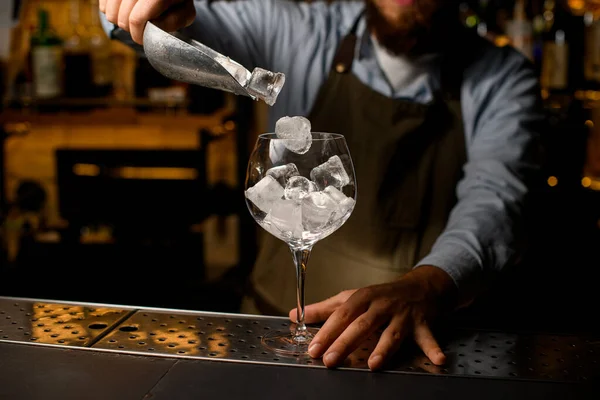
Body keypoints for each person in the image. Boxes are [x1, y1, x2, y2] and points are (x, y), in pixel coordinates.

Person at [99, 0, 543, 371]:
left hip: (398, 354)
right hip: (270, 334)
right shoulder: (301, 28)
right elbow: (162, 28)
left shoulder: (503, 77)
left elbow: (497, 202)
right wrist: (141, 9)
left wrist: (428, 286)